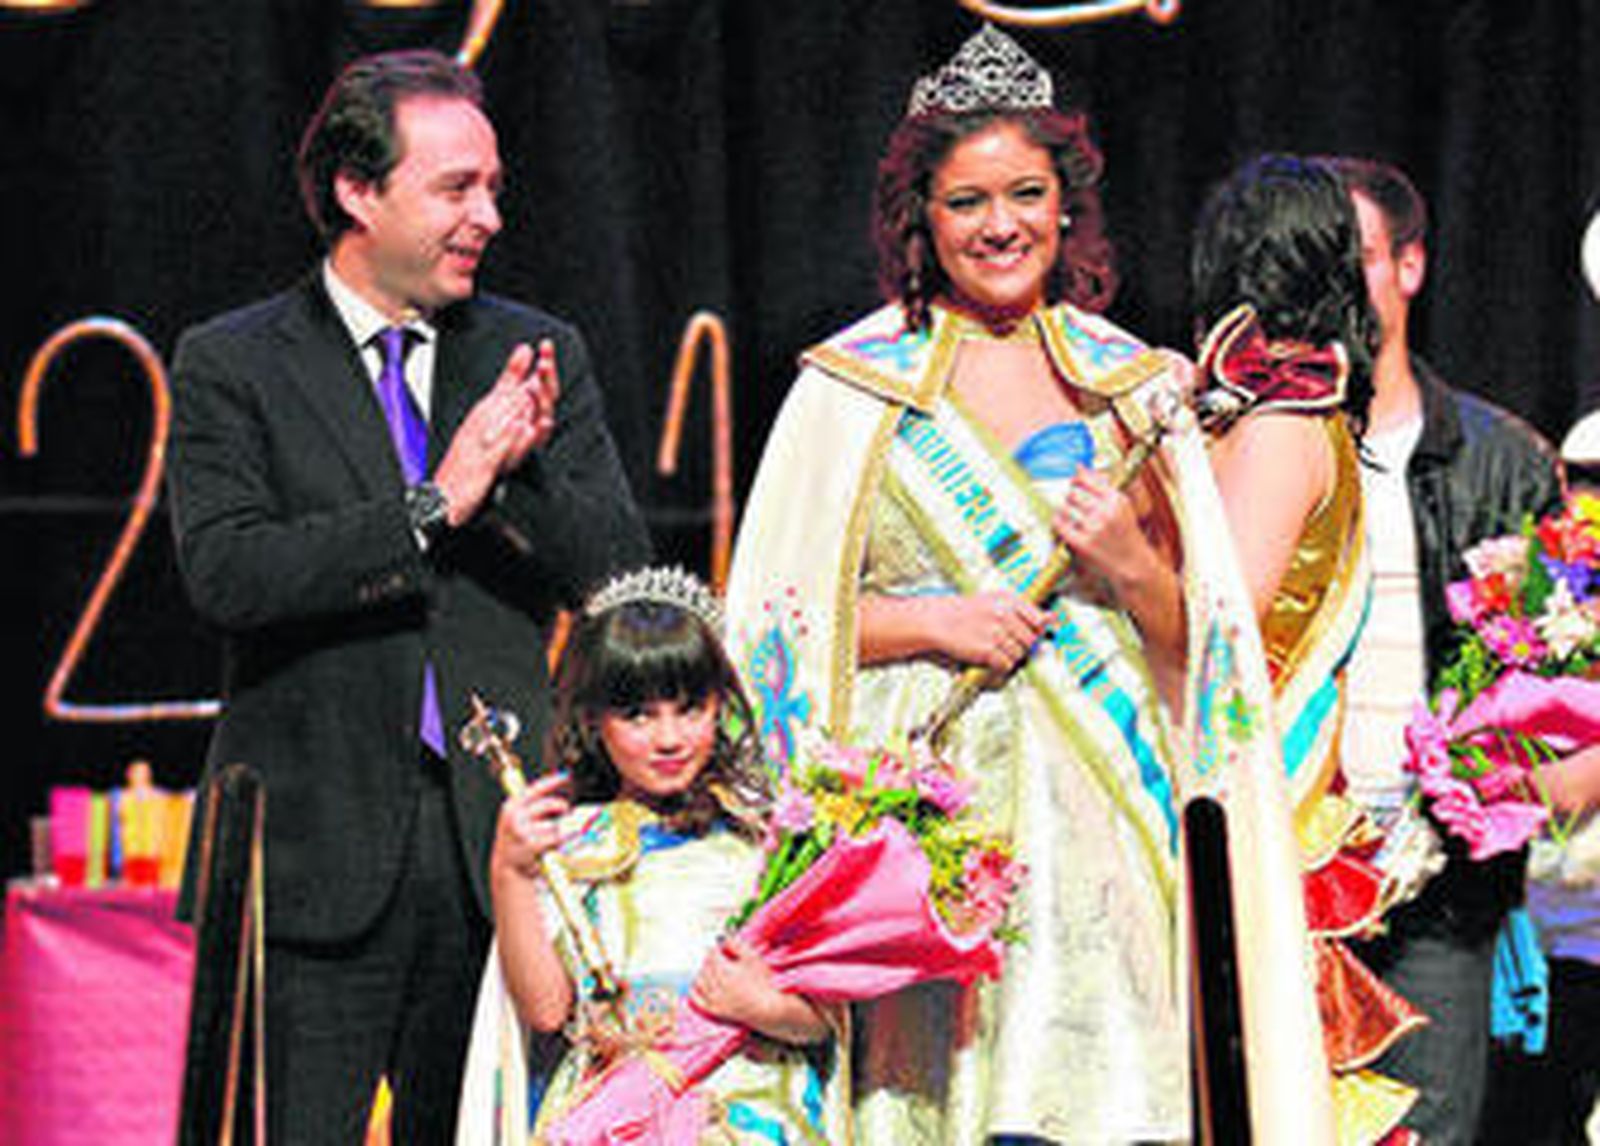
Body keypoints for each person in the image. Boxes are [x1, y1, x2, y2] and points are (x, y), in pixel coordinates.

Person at [165, 49, 649, 1143]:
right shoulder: (232, 363)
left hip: (502, 860)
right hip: (309, 862)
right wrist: (437, 501)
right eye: (454, 189)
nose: (486, 215)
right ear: (356, 190)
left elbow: (618, 576)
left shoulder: (535, 357)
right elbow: (231, 574)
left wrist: (510, 472)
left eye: (492, 187)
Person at [725, 23, 1190, 1143]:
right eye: (967, 203)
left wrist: (1128, 562)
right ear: (920, 222)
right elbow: (764, 629)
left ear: (1065, 205)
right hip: (925, 823)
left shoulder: (1132, 386)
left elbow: (1204, 637)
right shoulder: (851, 389)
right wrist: (931, 619)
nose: (1001, 227)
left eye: (1025, 195)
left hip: (1105, 818)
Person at [1316, 156, 1565, 1146]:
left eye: (1361, 259)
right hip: (1282, 871)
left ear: (1410, 266)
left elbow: (1565, 681)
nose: (1339, 286)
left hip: (1433, 894)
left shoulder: (1501, 458)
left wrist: (1503, 785)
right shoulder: (1257, 442)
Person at [1191, 152, 1426, 1143]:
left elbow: (1219, 618)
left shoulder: (1285, 427)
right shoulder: (1279, 415)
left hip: (1255, 792)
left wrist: (1116, 561)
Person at [456, 566, 849, 1143]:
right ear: (594, 720)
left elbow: (826, 1020)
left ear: (722, 705)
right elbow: (545, 1011)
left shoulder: (764, 837)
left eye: (689, 708)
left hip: (755, 1102)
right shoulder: (571, 840)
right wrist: (510, 873)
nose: (669, 738)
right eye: (638, 715)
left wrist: (760, 1006)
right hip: (619, 1106)